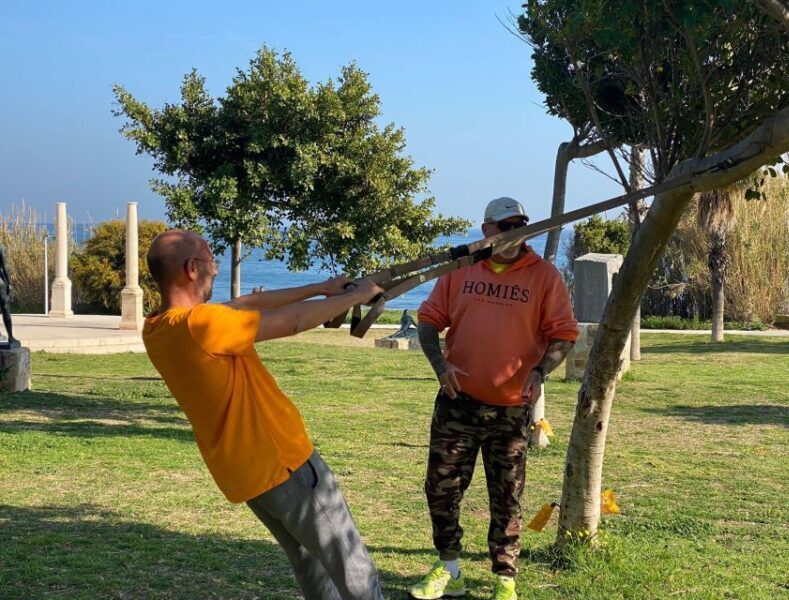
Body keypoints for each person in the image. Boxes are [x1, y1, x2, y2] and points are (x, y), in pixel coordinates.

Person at [142, 230, 384, 600]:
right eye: (211, 262)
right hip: (284, 463)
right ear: (192, 269)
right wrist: (357, 295)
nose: (216, 270)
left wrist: (321, 288)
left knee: (312, 568)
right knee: (352, 569)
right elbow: (292, 321)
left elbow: (243, 305)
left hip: (248, 474)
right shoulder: (202, 325)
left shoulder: (158, 327)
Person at [409, 198, 579, 600]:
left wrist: (541, 371)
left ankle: (505, 579)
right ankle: (449, 571)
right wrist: (440, 366)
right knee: (442, 488)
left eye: (519, 224)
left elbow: (564, 333)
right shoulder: (461, 270)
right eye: (504, 226)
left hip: (510, 407)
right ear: (486, 230)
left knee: (506, 494)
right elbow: (430, 321)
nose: (512, 232)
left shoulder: (544, 277)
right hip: (458, 402)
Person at [0, 244, 18, 346]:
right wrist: (9, 283)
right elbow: (5, 267)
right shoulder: (1, 247)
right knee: (5, 308)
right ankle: (10, 337)